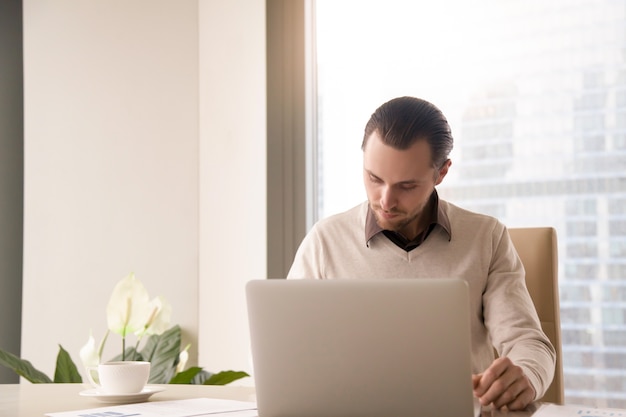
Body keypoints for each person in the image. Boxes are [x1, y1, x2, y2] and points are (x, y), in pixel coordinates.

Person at [286, 96, 556, 411]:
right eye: (374, 178)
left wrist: (526, 374)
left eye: (406, 186)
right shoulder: (325, 241)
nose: (385, 200)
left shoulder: (486, 237)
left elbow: (528, 343)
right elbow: (283, 351)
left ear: (441, 173)